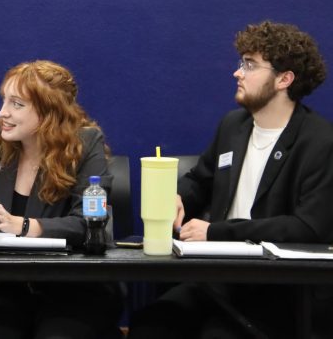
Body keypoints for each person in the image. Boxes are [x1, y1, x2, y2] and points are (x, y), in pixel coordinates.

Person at [129, 21, 333, 338]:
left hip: (278, 289)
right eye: (242, 63)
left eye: (250, 65)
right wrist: (177, 197)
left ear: (284, 79)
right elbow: (200, 179)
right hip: (217, 277)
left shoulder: (320, 141)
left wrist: (217, 232)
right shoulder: (233, 126)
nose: (238, 73)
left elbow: (308, 227)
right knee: (150, 325)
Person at [0, 60, 124, 339]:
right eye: (4, 101)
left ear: (49, 111)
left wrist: (24, 227)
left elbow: (88, 224)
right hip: (0, 286)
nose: (2, 113)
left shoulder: (85, 144)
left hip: (74, 287)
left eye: (17, 104)